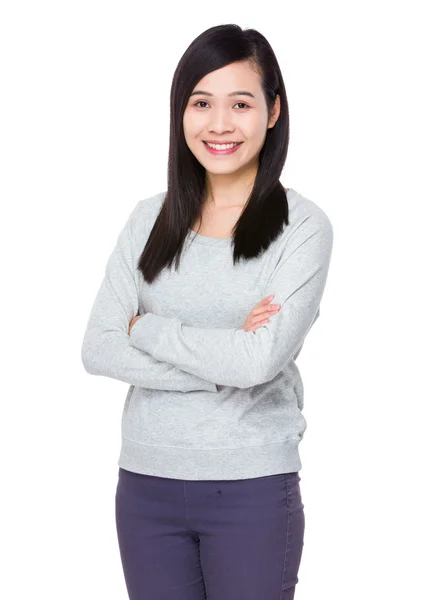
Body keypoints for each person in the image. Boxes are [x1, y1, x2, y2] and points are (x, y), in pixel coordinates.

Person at [81, 23, 334, 600]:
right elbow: (98, 346)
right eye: (201, 103)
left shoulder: (303, 227)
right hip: (145, 487)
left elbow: (259, 361)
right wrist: (223, 361)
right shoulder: (148, 219)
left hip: (250, 487)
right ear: (181, 113)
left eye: (240, 103)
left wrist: (147, 328)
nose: (219, 124)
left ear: (273, 111)